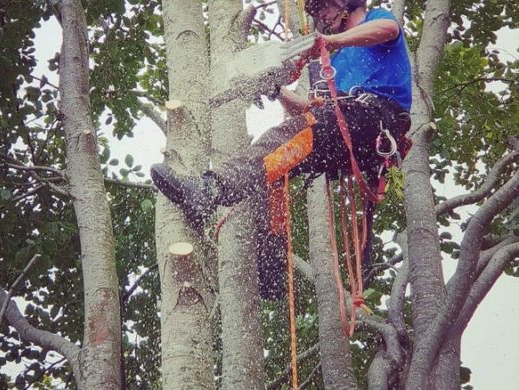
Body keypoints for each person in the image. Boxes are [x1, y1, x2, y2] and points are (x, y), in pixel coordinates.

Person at [151, 0, 412, 298]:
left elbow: (389, 30)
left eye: (324, 7)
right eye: (315, 12)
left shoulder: (376, 20)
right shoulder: (337, 63)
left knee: (292, 134)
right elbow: (309, 109)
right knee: (274, 168)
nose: (321, 16)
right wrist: (276, 90)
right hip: (345, 127)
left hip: (374, 121)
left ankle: (211, 191)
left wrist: (326, 42)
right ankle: (273, 264)